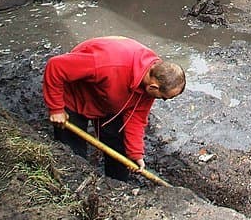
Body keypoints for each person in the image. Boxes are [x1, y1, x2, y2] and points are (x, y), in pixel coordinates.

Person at [43, 36, 186, 181]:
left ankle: (118, 184)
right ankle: (73, 184)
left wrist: (135, 154)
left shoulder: (150, 82)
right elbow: (55, 66)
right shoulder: (106, 63)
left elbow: (136, 117)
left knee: (119, 150)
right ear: (153, 87)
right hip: (76, 95)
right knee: (72, 156)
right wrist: (56, 109)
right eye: (162, 97)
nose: (162, 100)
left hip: (110, 101)